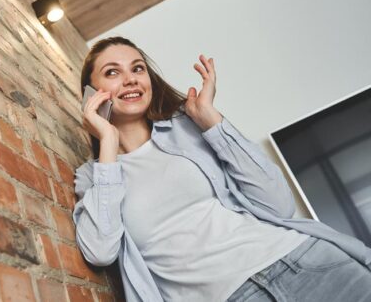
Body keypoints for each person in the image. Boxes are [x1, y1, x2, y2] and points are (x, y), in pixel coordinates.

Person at [73, 36, 371, 301]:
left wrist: (211, 121)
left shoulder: (186, 130)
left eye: (137, 68)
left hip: (307, 262)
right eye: (113, 72)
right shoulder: (95, 177)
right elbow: (100, 251)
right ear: (91, 93)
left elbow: (279, 204)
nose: (131, 79)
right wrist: (108, 142)